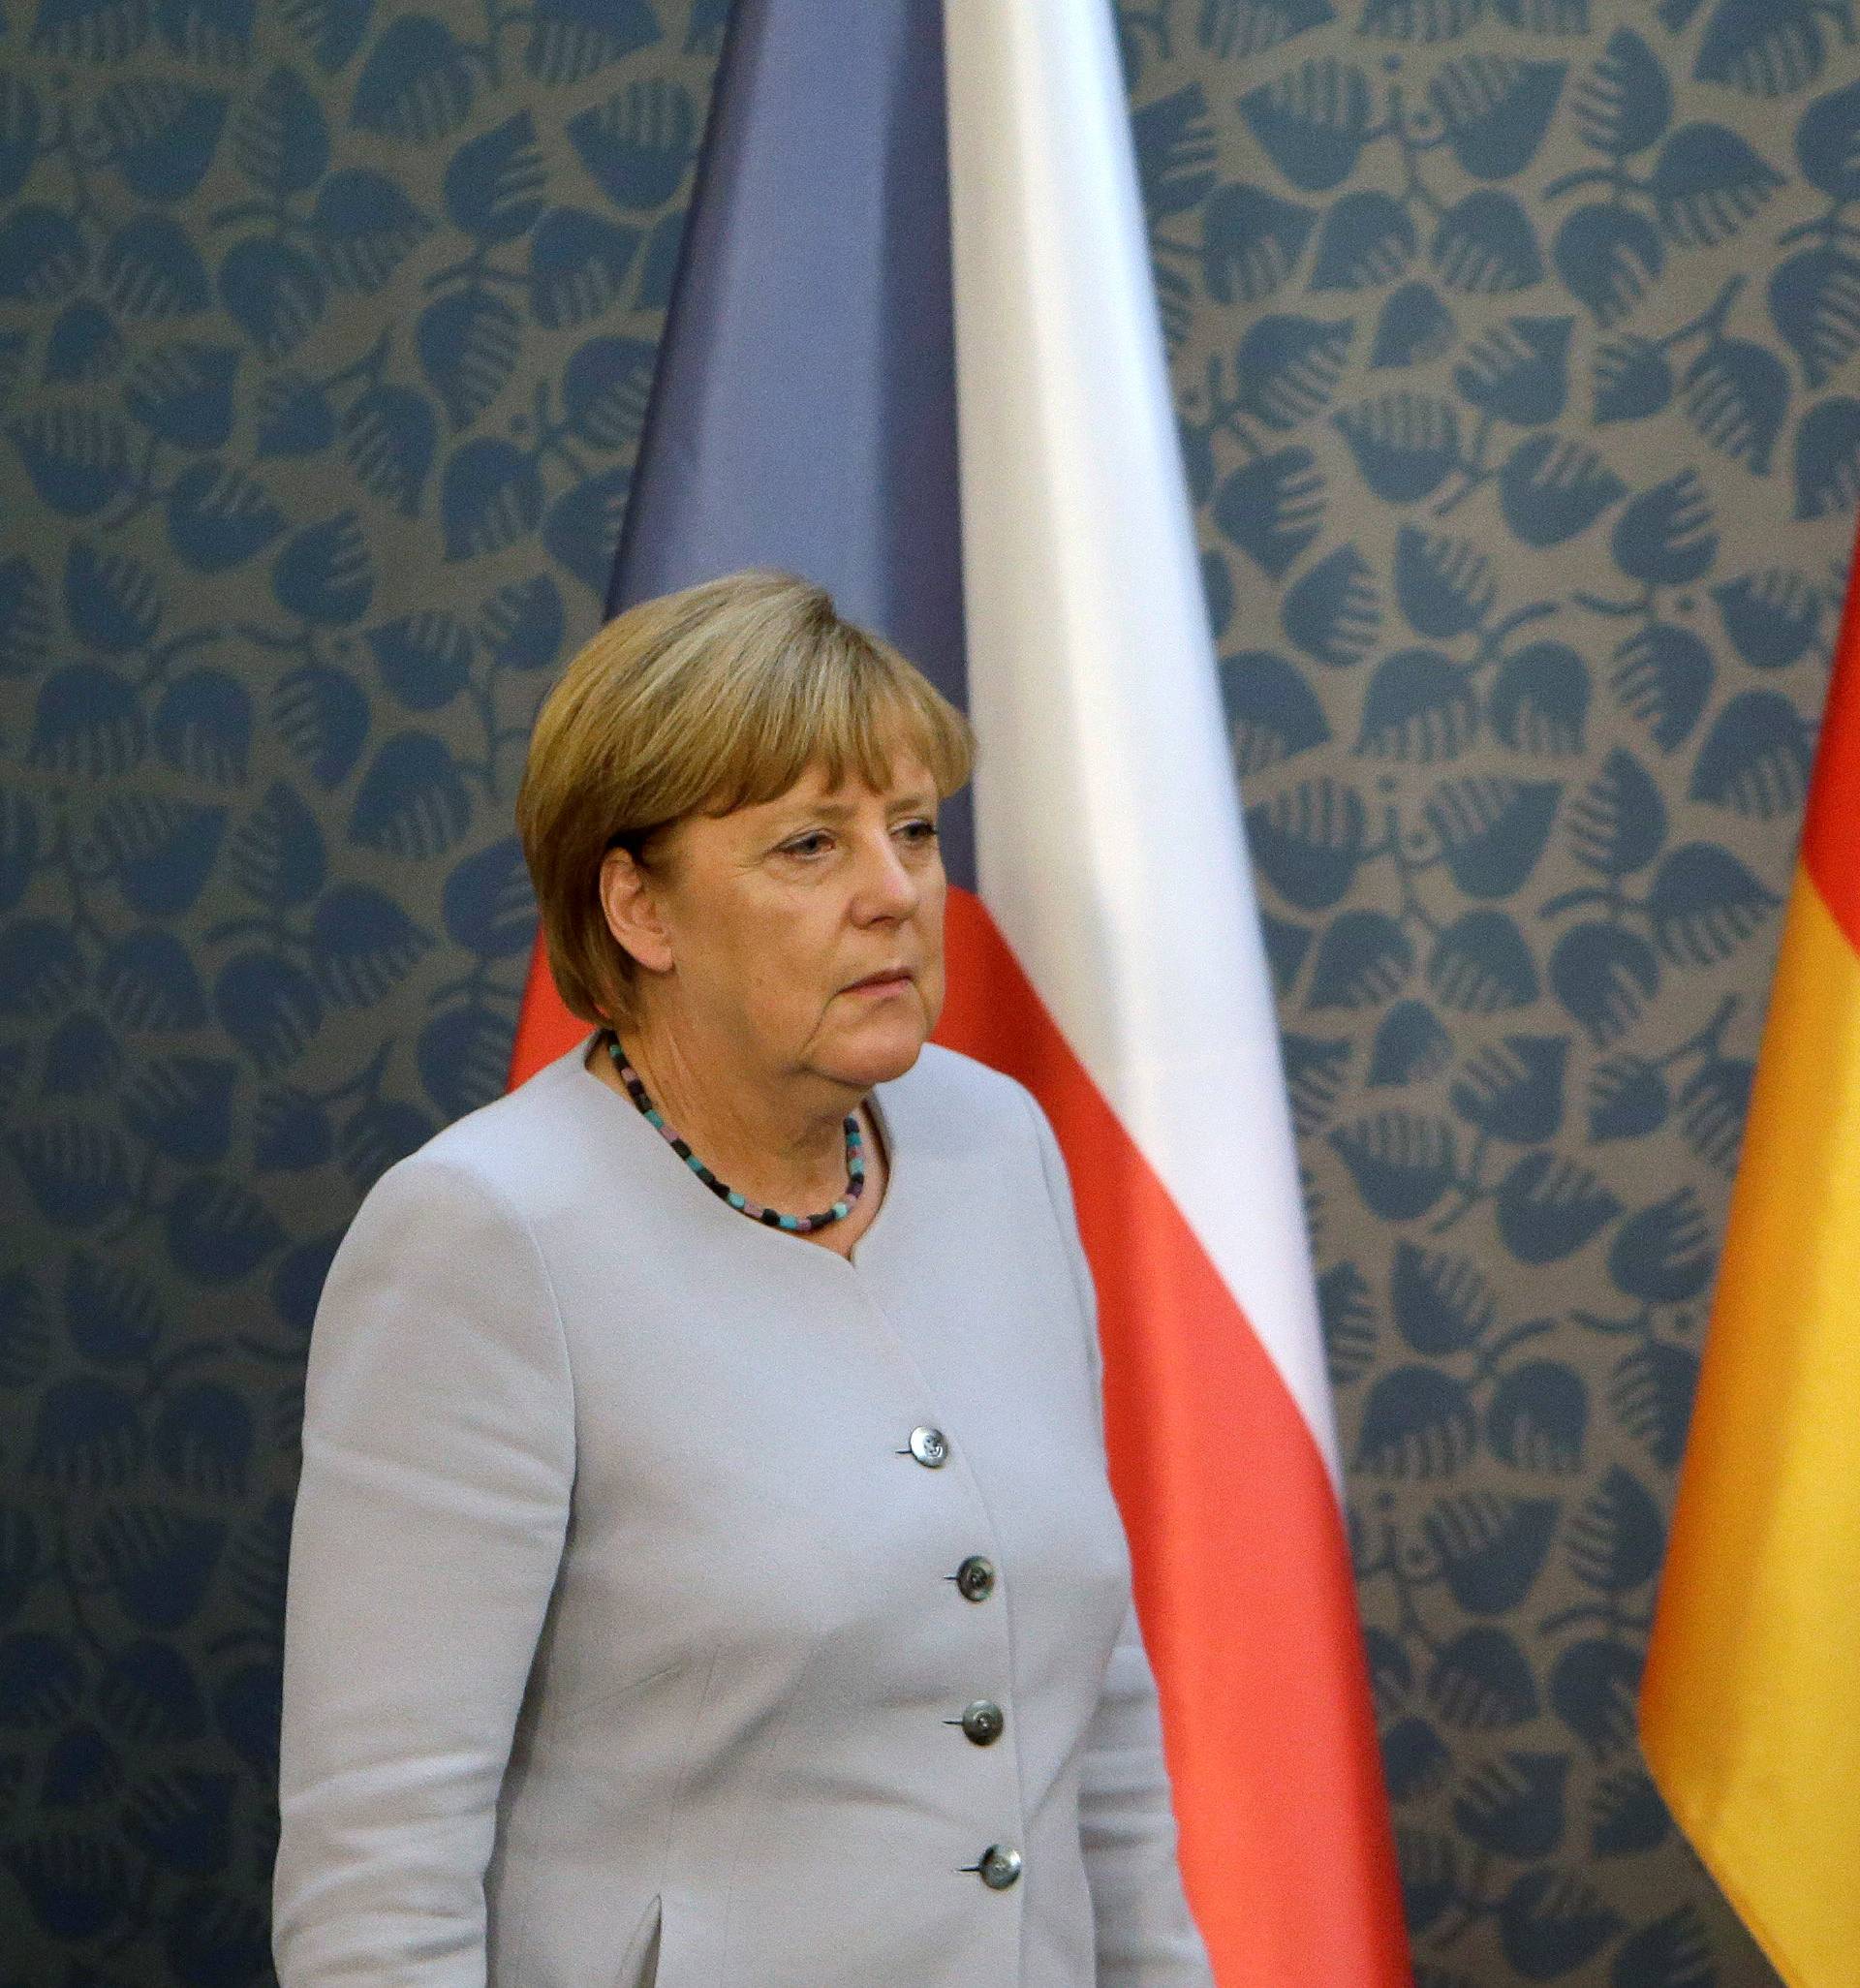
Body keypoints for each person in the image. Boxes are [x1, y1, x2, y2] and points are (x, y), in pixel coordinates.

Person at [271, 568, 1215, 1987]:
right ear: (640, 908)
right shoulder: (484, 1238)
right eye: (808, 848)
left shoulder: (995, 1146)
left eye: (913, 830)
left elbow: (1100, 1717)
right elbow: (378, 1875)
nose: (894, 894)